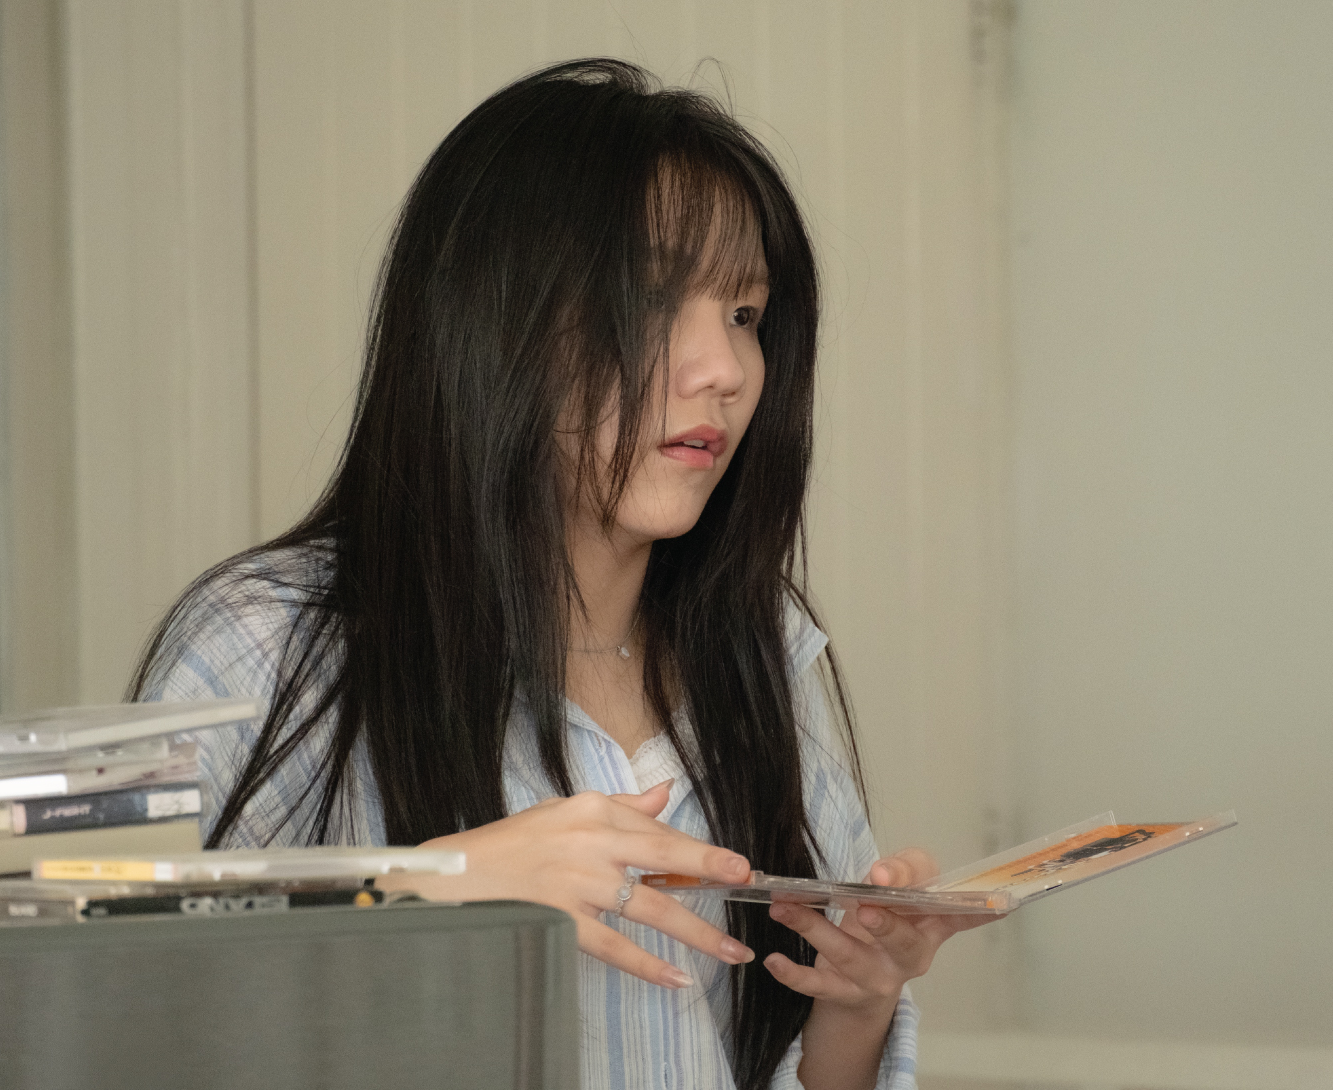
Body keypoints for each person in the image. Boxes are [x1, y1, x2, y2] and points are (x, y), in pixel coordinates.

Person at [132, 58, 983, 1090]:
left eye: (746, 314)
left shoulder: (758, 652)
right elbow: (92, 992)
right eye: (655, 298)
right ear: (499, 320)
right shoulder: (268, 641)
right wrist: (425, 889)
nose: (724, 369)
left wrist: (856, 1005)